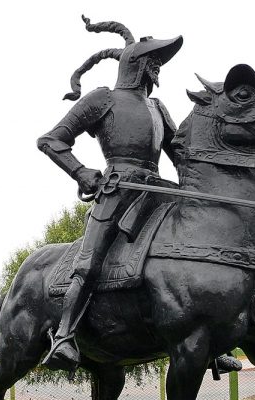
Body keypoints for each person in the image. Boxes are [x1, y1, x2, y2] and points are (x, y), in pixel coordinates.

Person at [38, 17, 183, 371]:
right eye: (154, 62)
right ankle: (64, 336)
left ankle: (209, 330)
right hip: (117, 190)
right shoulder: (103, 98)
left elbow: (182, 156)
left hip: (159, 192)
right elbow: (51, 140)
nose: (158, 69)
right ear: (137, 64)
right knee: (89, 262)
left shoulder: (158, 108)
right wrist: (82, 171)